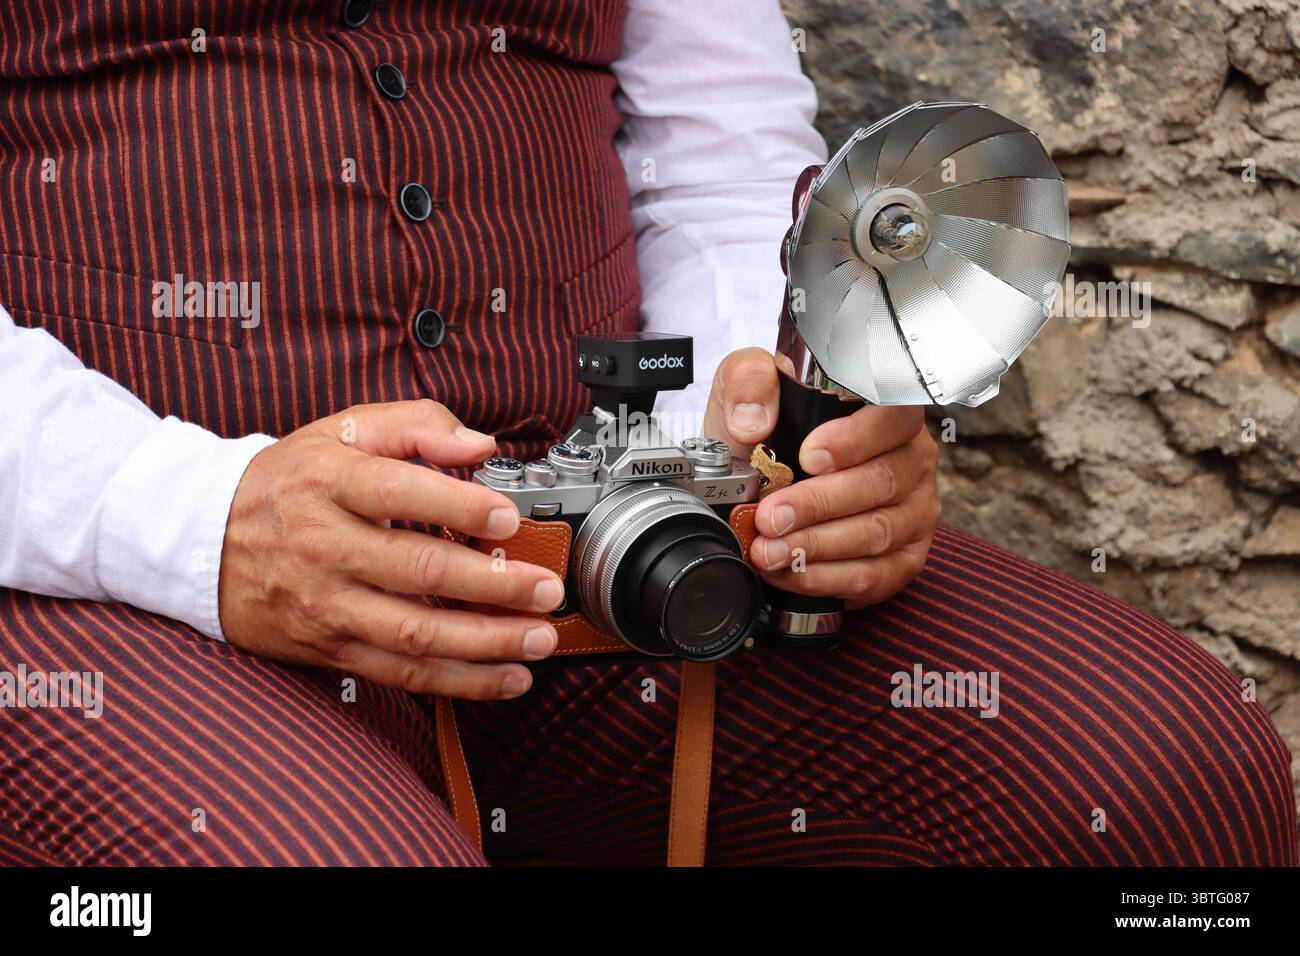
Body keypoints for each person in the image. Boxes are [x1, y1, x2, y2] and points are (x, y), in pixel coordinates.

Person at [0, 1, 1292, 866]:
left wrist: (756, 437)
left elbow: (720, 157)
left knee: (1173, 775)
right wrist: (190, 522)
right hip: (108, 591)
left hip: (612, 532)